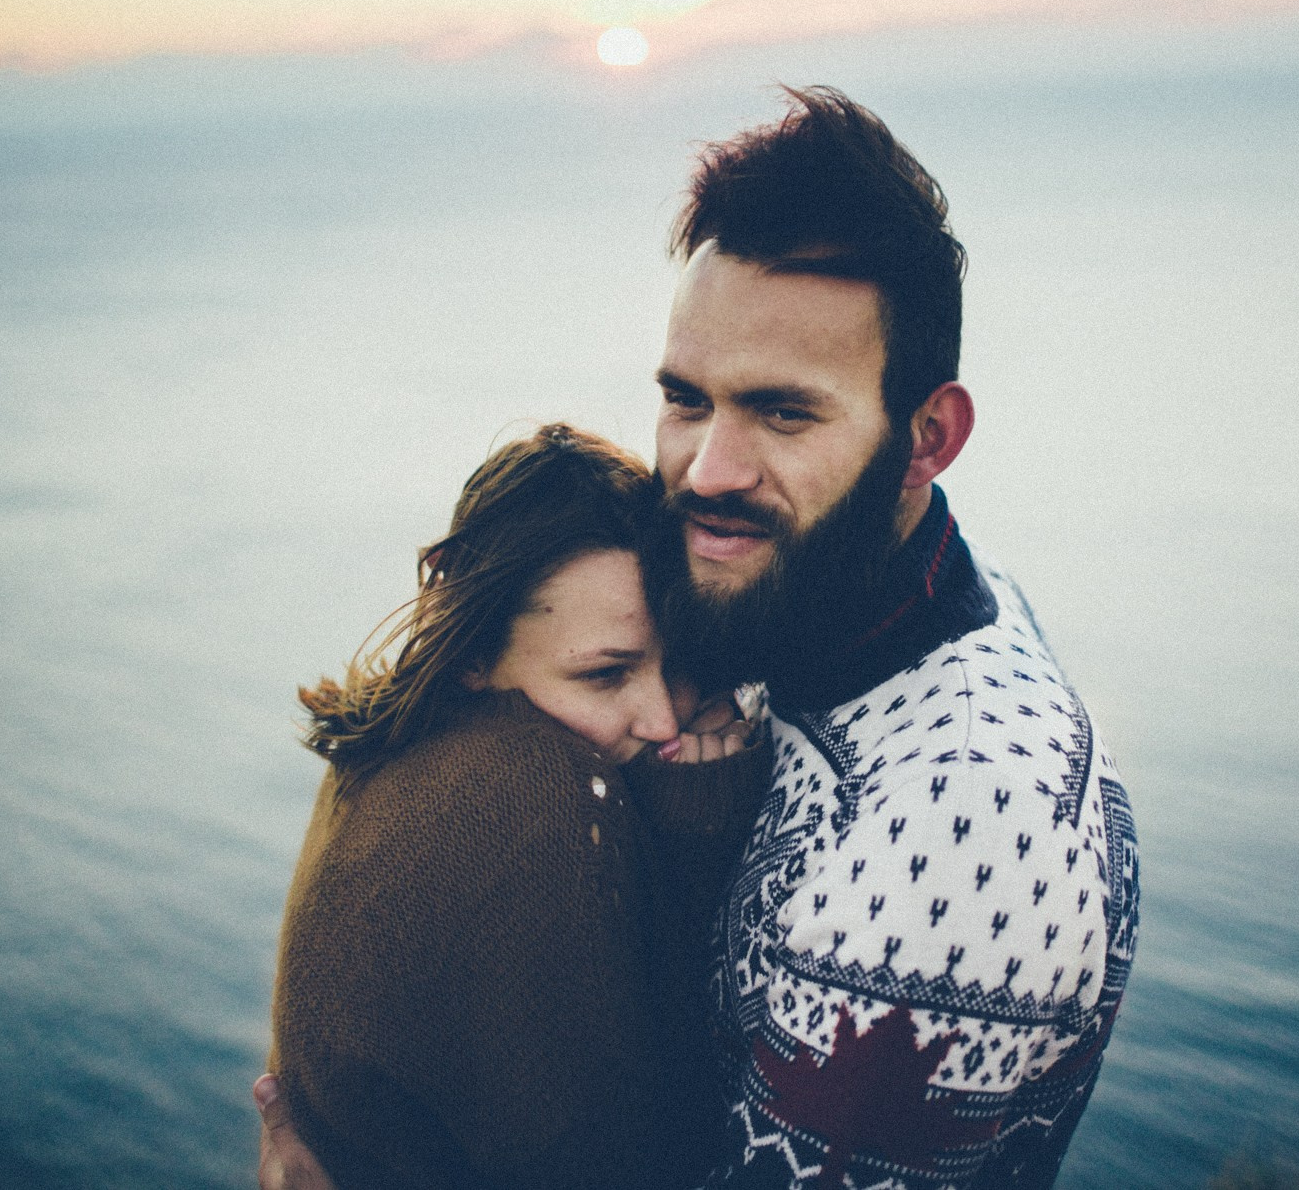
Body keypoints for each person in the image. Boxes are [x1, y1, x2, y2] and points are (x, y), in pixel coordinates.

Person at [260, 88, 1140, 1190]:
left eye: (782, 412)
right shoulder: (820, 600)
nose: (706, 471)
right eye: (686, 399)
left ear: (927, 437)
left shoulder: (957, 837)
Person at [265, 424, 767, 1190]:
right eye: (605, 675)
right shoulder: (534, 796)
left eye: (685, 662)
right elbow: (637, 1150)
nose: (664, 719)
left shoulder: (386, 739)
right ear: (472, 648)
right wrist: (697, 835)